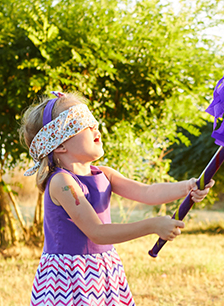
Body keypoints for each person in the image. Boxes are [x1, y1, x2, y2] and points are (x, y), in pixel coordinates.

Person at [20, 91, 212, 306]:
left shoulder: (104, 173)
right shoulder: (62, 182)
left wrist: (187, 187)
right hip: (69, 278)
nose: (95, 127)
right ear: (60, 145)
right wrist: (152, 225)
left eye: (92, 120)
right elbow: (97, 232)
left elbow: (147, 192)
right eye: (83, 123)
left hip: (102, 269)